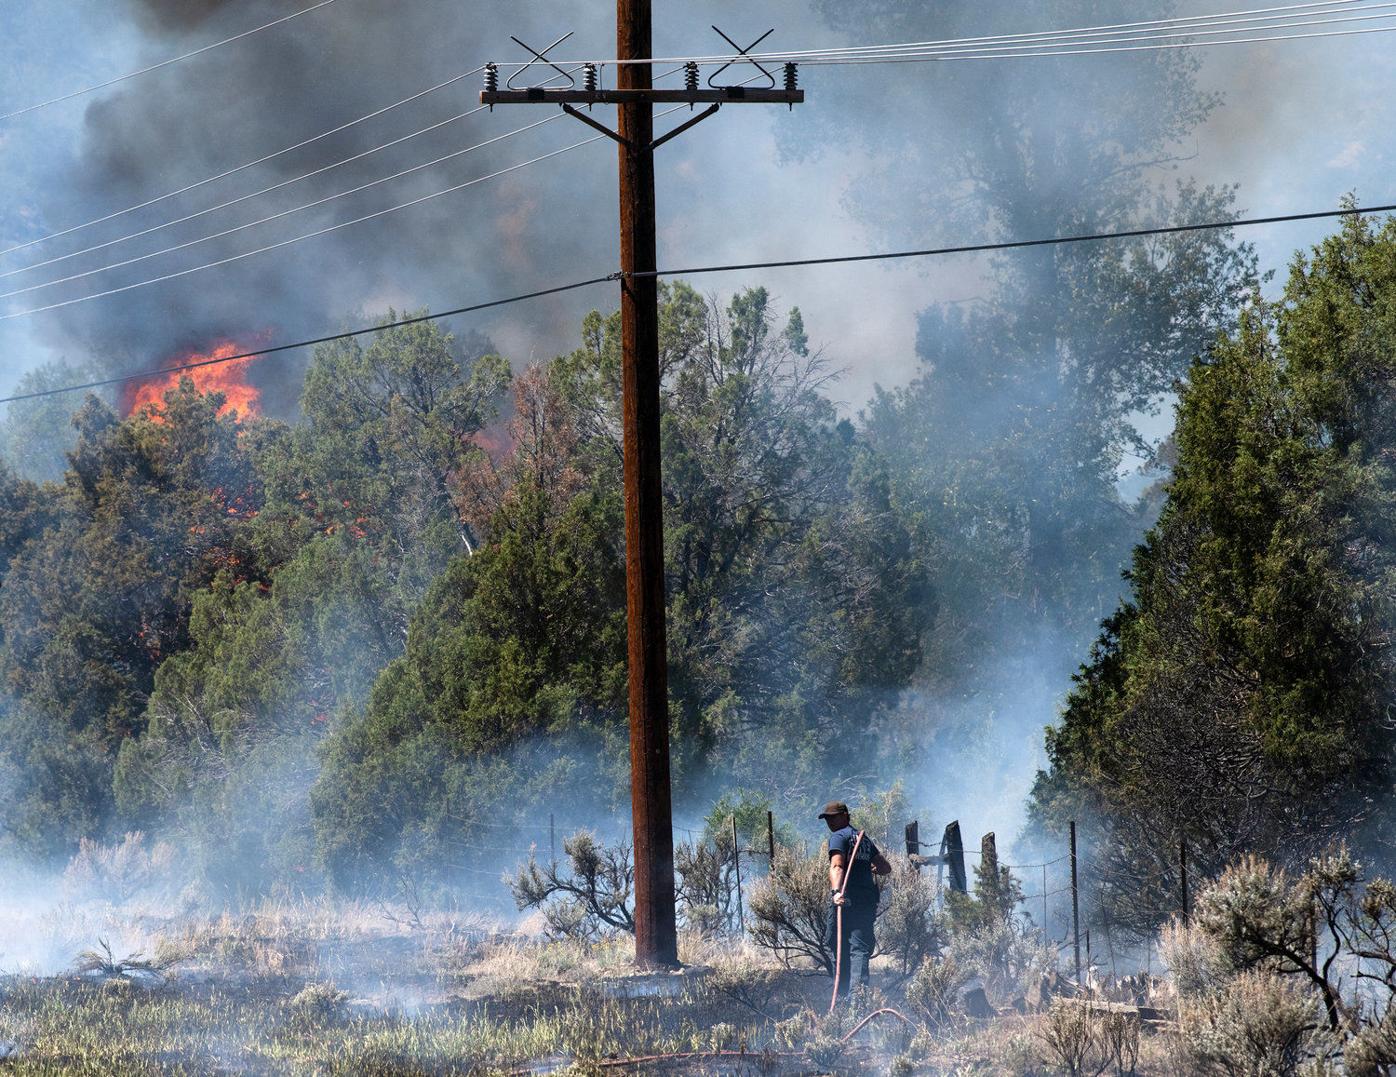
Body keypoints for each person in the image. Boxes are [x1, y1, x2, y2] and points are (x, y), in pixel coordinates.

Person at [819, 800, 892, 998]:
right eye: (827, 819)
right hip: (866, 902)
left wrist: (836, 892)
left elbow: (837, 866)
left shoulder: (838, 837)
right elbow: (885, 868)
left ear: (845, 816)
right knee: (857, 947)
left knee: (839, 944)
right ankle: (856, 999)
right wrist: (871, 867)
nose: (830, 822)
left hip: (846, 900)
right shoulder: (863, 839)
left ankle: (846, 998)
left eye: (833, 818)